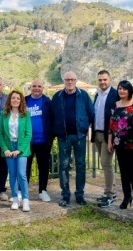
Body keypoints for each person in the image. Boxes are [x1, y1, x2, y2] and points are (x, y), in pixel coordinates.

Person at [51, 71, 94, 207]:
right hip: (63, 137)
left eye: (72, 79)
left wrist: (85, 128)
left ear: (76, 81)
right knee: (63, 166)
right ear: (64, 81)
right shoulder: (57, 96)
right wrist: (56, 131)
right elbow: (52, 116)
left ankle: (79, 194)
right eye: (67, 79)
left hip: (79, 136)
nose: (70, 82)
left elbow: (91, 113)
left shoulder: (84, 95)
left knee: (80, 165)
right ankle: (65, 195)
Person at [107, 80, 133, 213]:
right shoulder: (115, 106)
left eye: (124, 89)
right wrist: (110, 142)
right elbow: (111, 126)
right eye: (120, 89)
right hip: (118, 143)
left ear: (129, 90)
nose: (121, 91)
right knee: (123, 172)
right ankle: (127, 197)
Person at [0, 90, 32, 211]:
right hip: (8, 147)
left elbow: (28, 134)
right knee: (12, 175)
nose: (15, 100)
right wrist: (5, 149)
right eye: (13, 98)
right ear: (9, 100)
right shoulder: (3, 114)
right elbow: (0, 134)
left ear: (21, 100)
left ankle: (26, 200)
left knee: (22, 174)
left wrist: (20, 150)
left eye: (18, 98)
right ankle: (15, 199)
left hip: (22, 147)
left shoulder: (25, 114)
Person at [92, 70, 119, 207]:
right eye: (100, 80)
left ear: (110, 80)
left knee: (105, 163)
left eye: (105, 80)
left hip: (108, 135)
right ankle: (111, 190)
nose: (102, 82)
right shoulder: (97, 95)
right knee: (105, 163)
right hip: (97, 134)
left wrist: (112, 138)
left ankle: (109, 193)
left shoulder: (115, 95)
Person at [25, 79, 53, 202]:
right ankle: (22, 191)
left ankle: (43, 191)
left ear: (43, 88)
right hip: (27, 142)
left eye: (39, 86)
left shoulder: (47, 102)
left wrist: (50, 138)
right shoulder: (24, 101)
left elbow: (53, 120)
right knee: (25, 167)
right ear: (30, 88)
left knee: (43, 167)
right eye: (34, 86)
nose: (36, 88)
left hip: (43, 141)